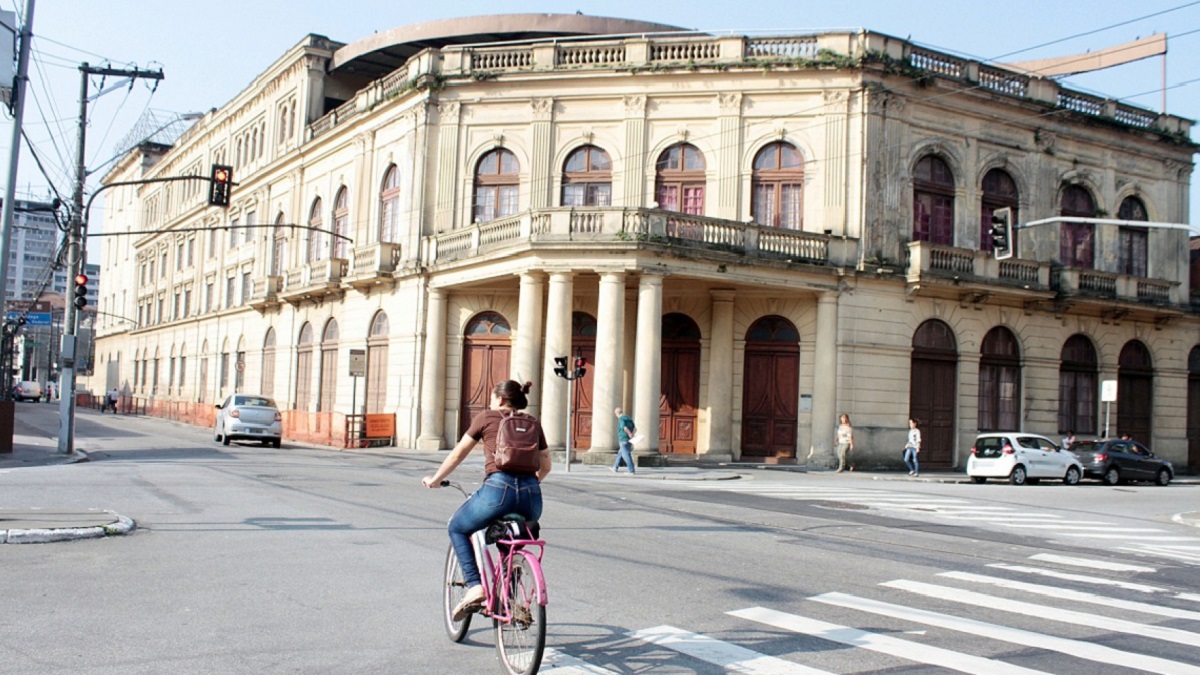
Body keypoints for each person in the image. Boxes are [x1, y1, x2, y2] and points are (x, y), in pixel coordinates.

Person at [422, 380, 550, 621]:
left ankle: (474, 586)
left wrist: (436, 479)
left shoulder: (486, 418)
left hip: (497, 490)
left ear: (500, 400)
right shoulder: (533, 423)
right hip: (532, 497)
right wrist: (528, 484)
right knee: (511, 541)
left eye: (493, 398)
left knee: (458, 527)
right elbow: (546, 465)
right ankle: (509, 597)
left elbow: (459, 453)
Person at [611, 407, 636, 474]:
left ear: (617, 413)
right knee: (620, 453)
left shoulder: (621, 419)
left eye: (615, 414)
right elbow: (635, 428)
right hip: (629, 440)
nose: (616, 415)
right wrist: (632, 434)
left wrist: (630, 434)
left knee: (626, 454)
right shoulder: (629, 418)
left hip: (623, 438)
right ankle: (615, 467)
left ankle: (631, 470)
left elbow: (624, 427)